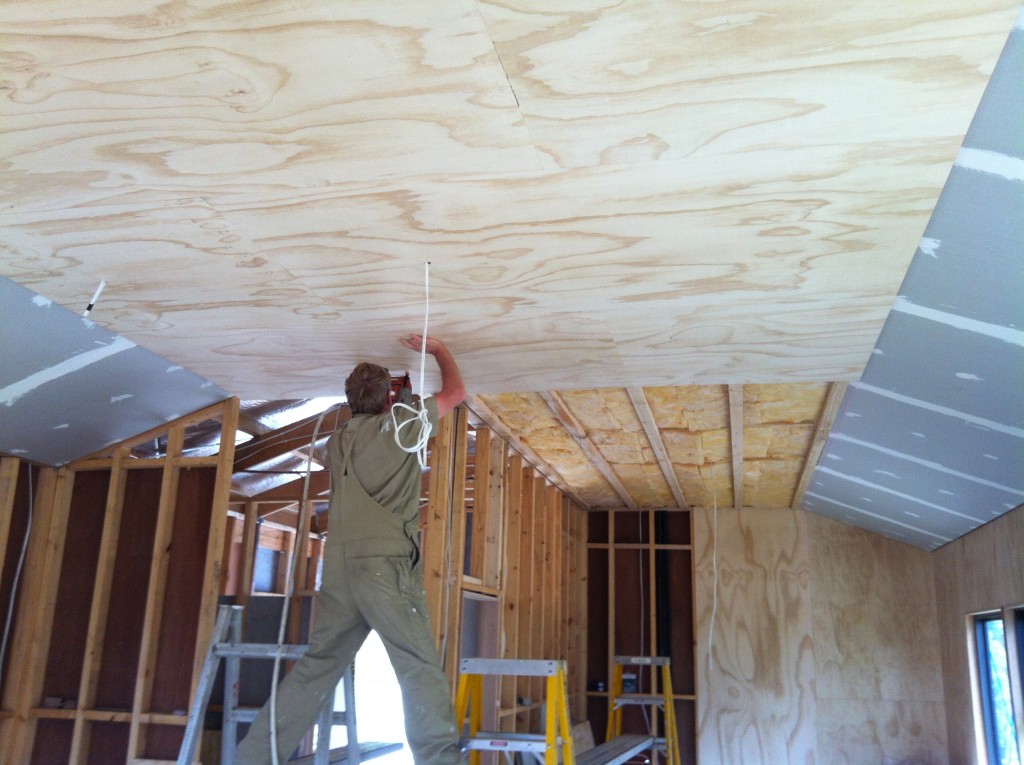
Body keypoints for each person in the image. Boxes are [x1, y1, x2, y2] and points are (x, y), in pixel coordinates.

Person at [234, 334, 466, 765]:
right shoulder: (401, 425)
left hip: (339, 568)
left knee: (317, 667)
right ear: (386, 401)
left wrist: (395, 399)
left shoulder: (336, 442)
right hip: (384, 568)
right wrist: (438, 351)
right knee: (416, 666)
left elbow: (382, 427)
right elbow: (455, 393)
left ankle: (252, 758)